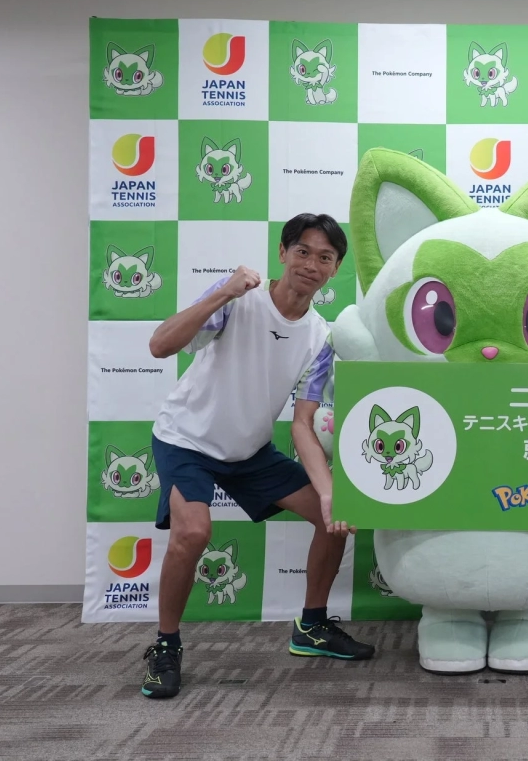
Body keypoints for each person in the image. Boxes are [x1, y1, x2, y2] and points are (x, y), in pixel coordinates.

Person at [137, 213, 374, 699]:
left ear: (336, 269)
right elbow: (160, 344)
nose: (311, 263)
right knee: (195, 531)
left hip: (249, 452)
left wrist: (330, 493)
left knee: (338, 514)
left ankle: (311, 627)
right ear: (283, 253)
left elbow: (303, 424)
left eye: (324, 257)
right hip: (188, 441)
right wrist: (222, 291)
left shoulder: (321, 338)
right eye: (303, 251)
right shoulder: (238, 301)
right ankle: (165, 644)